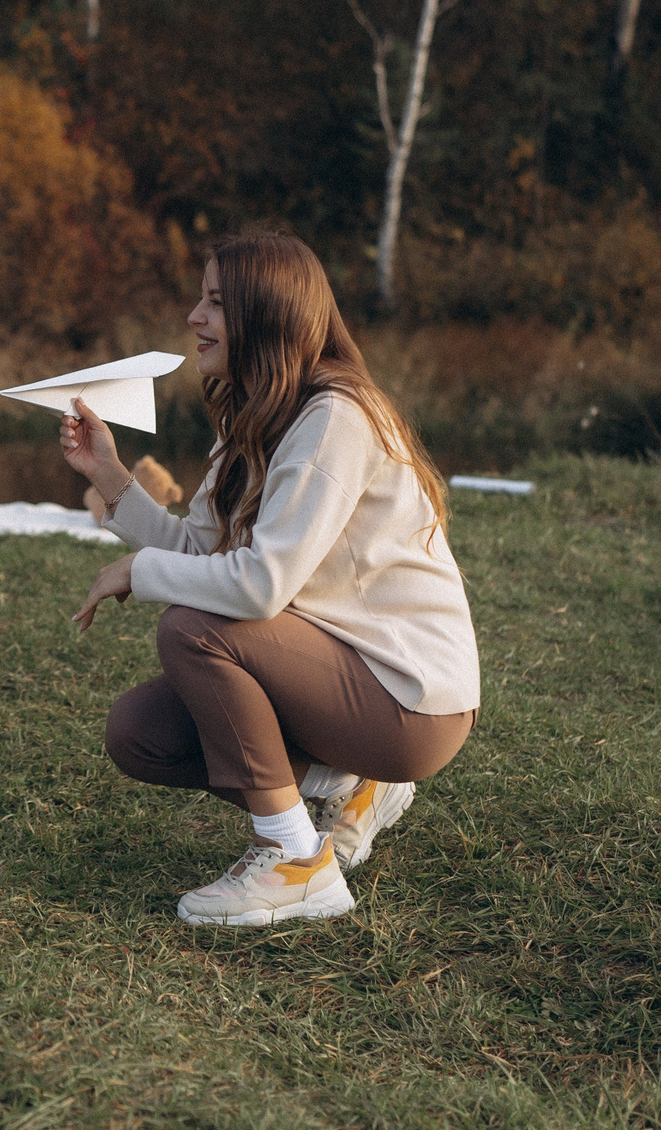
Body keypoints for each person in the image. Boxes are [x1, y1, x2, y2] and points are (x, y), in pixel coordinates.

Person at [61, 231, 479, 927]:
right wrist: (110, 478)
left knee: (194, 628)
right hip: (341, 674)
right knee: (139, 732)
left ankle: (294, 861)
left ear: (268, 315)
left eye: (217, 303)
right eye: (201, 298)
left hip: (413, 703)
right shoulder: (256, 414)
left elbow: (258, 588)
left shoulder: (335, 419)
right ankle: (349, 786)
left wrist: (139, 569)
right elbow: (202, 550)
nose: (195, 316)